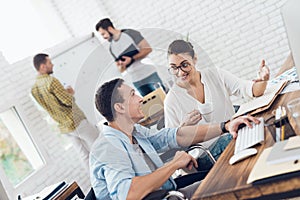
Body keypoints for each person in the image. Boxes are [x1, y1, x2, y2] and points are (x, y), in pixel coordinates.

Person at [90, 78, 260, 199]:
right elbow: (129, 194)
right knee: (230, 184)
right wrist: (174, 164)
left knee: (226, 176)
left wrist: (225, 126)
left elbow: (173, 136)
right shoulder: (108, 147)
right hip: (165, 196)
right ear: (119, 107)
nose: (141, 99)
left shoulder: (134, 131)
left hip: (168, 189)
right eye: (133, 95)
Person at [163, 40, 270, 171]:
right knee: (259, 135)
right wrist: (184, 128)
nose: (180, 72)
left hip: (233, 132)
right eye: (174, 68)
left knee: (264, 126)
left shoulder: (215, 75)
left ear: (194, 59)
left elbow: (251, 90)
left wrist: (263, 80)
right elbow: (173, 145)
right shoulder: (172, 101)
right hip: (205, 154)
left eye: (185, 65)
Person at [31, 53, 98, 170]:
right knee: (100, 144)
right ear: (42, 67)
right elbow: (68, 101)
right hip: (76, 121)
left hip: (64, 127)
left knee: (84, 155)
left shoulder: (34, 89)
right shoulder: (51, 81)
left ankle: (96, 183)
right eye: (49, 63)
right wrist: (70, 92)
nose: (52, 65)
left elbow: (50, 106)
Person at [95, 18, 166, 96]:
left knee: (163, 98)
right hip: (136, 81)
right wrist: (122, 65)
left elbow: (148, 49)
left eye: (103, 34)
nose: (103, 37)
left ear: (109, 28)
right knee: (151, 106)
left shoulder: (130, 33)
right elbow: (120, 69)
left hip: (149, 74)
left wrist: (132, 59)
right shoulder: (111, 48)